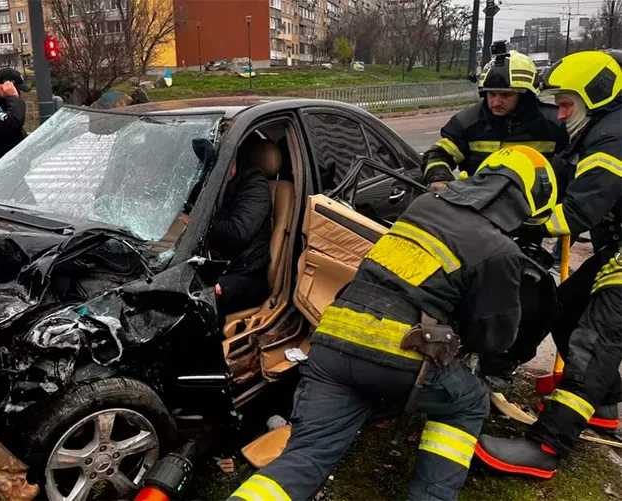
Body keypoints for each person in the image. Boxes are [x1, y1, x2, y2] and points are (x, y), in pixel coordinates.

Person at [227, 145, 558, 501]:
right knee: (468, 401)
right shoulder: (500, 250)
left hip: (332, 344)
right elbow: (494, 337)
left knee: (308, 453)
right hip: (400, 356)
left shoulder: (425, 206)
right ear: (528, 200)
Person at [476, 50, 622, 479]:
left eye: (564, 104)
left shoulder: (614, 138)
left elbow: (578, 211)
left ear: (592, 96)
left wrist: (518, 223)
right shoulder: (601, 130)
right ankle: (604, 406)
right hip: (615, 252)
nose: (558, 116)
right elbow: (561, 171)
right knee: (565, 309)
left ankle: (545, 446)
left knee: (593, 345)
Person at [422, 49, 568, 191]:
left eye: (505, 95)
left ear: (525, 96)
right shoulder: (467, 122)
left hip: (537, 208)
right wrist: (439, 179)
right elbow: (438, 155)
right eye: (492, 94)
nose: (496, 102)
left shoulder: (555, 124)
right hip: (478, 205)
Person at [210, 134, 274, 317]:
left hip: (247, 272)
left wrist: (196, 225)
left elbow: (239, 232)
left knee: (202, 299)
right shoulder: (206, 183)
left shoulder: (254, 183)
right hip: (214, 263)